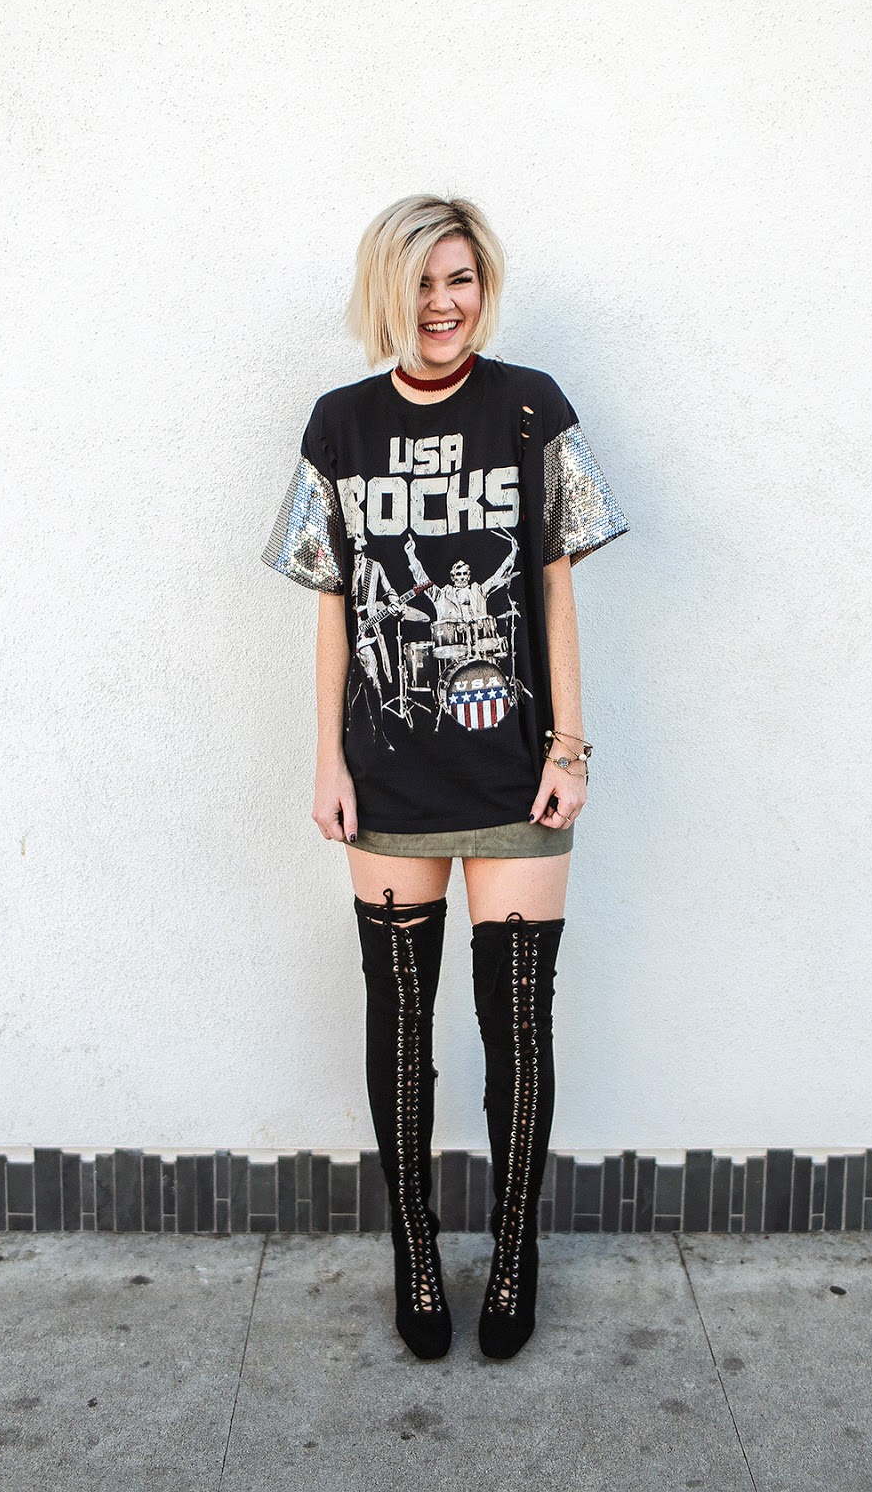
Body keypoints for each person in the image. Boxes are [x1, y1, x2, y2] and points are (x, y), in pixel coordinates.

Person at [263, 195, 628, 1361]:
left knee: (516, 1024)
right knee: (399, 1024)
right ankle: (414, 1250)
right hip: (388, 780)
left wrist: (569, 745)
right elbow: (333, 604)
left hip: (517, 775)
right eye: (422, 281)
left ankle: (513, 1249)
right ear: (389, 290)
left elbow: (554, 586)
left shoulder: (532, 409)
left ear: (484, 286)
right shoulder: (341, 424)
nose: (442, 303)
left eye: (460, 278)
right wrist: (326, 759)